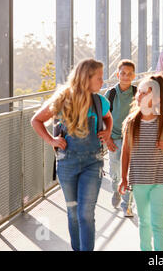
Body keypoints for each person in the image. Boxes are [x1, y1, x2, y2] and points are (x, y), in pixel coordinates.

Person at [31, 58, 114, 251]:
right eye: (99, 78)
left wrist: (108, 132)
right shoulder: (61, 100)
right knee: (74, 213)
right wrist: (51, 140)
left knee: (86, 213)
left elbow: (108, 118)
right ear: (86, 78)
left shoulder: (100, 101)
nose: (102, 82)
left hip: (93, 163)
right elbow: (36, 120)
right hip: (67, 164)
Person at [118, 75, 163, 251]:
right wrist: (123, 178)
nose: (139, 95)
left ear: (156, 98)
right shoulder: (131, 122)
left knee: (157, 223)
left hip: (161, 180)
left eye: (144, 92)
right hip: (139, 180)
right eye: (139, 92)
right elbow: (125, 152)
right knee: (144, 222)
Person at [104, 59, 136, 217]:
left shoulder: (138, 93)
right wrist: (107, 138)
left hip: (131, 137)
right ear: (117, 74)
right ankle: (116, 188)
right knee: (115, 169)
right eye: (123, 73)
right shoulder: (111, 93)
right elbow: (103, 117)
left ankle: (127, 204)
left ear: (134, 76)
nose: (126, 76)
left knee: (129, 170)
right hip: (114, 136)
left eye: (129, 74)